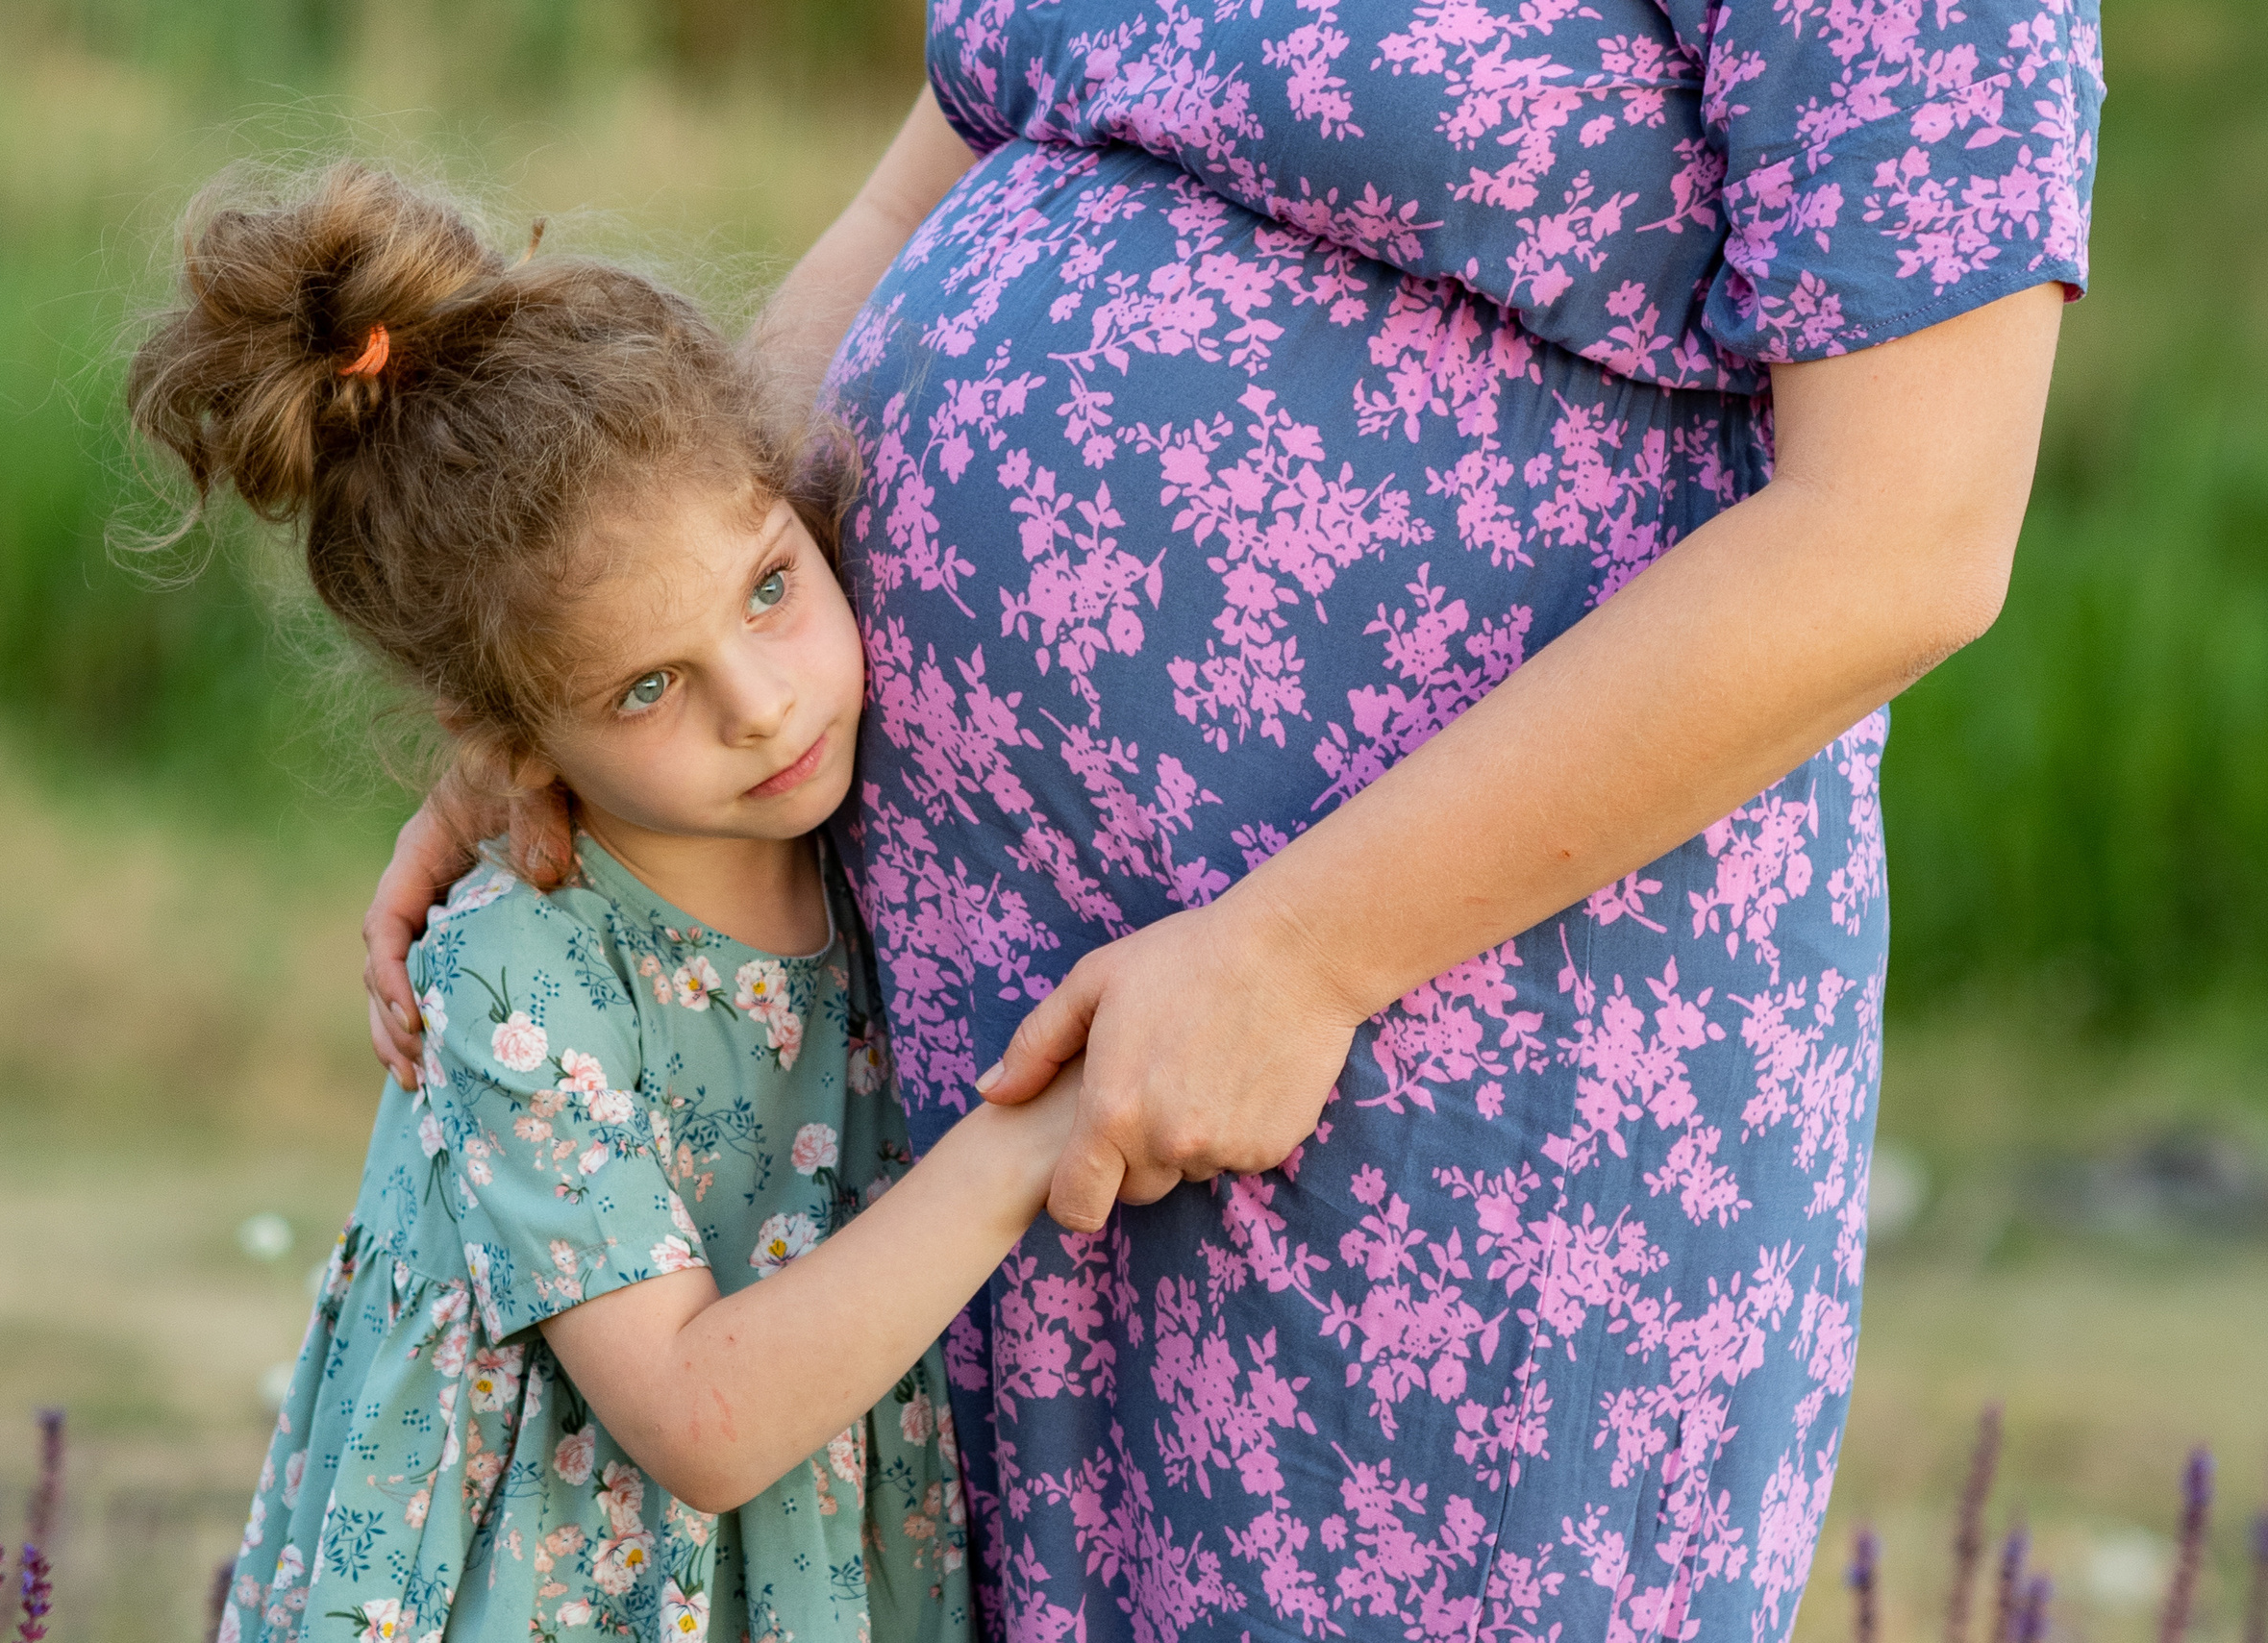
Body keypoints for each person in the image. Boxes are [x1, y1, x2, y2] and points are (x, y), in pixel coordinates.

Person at [367, 3, 2104, 1635]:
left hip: (1453, 1053)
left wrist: (1298, 954)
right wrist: (587, 672)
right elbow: (952, 156)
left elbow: (1907, 534)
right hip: (972, 1030)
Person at [130, 160, 1087, 1643]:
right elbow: (700, 1414)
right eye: (649, 687)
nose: (766, 708)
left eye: (771, 585)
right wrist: (1028, 1142)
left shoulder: (871, 844)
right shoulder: (522, 977)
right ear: (505, 741)